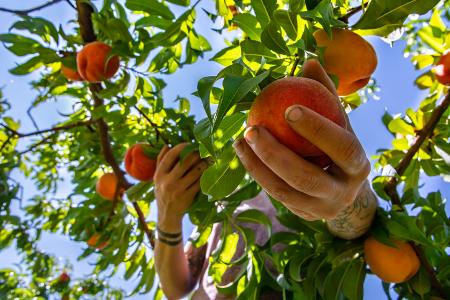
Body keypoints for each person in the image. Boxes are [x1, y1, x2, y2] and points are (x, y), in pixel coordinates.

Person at [153, 59, 379, 299]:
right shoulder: (226, 205)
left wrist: (351, 194)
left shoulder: (318, 186)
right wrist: (168, 217)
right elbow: (176, 288)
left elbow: (358, 225)